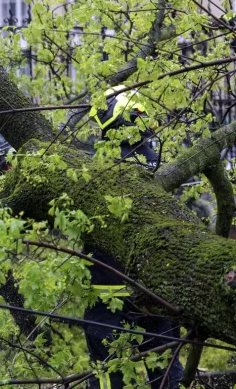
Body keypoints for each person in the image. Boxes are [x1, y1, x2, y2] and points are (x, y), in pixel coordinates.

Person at [85, 86, 182, 389]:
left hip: (108, 288)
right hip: (156, 287)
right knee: (164, 367)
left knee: (108, 369)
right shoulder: (158, 162)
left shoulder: (98, 165)